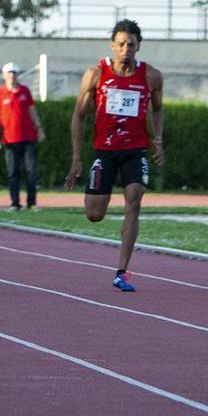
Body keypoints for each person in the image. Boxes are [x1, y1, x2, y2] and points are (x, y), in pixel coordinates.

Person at [65, 19, 163, 292]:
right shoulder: (96, 74)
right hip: (105, 151)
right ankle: (109, 210)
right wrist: (76, 158)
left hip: (135, 150)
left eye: (131, 44)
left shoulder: (151, 76)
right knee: (94, 214)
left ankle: (122, 271)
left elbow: (158, 108)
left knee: (134, 199)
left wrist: (158, 139)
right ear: (112, 45)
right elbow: (79, 115)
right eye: (121, 44)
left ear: (138, 47)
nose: (126, 49)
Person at [0, 61, 45, 211]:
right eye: (9, 72)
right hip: (10, 139)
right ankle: (15, 203)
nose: (12, 75)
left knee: (31, 171)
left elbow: (32, 111)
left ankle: (31, 203)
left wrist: (39, 128)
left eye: (14, 73)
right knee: (13, 172)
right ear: (4, 75)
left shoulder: (25, 91)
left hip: (29, 137)